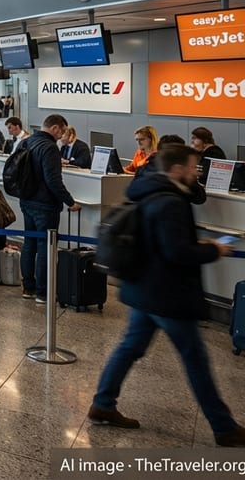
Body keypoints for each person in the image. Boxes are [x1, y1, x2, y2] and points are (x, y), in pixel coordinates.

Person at [87, 144, 245, 447]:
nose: (195, 173)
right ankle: (224, 427)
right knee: (195, 358)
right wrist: (214, 248)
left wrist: (192, 241)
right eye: (191, 167)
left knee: (130, 347)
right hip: (166, 293)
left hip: (143, 288)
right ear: (176, 169)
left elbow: (163, 241)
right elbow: (177, 252)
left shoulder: (145, 190)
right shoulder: (172, 202)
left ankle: (103, 404)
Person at [18, 114, 82, 303]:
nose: (61, 135)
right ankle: (43, 292)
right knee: (45, 247)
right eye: (61, 131)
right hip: (45, 205)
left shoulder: (26, 142)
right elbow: (53, 180)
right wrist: (70, 202)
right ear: (55, 128)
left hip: (26, 200)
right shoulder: (50, 148)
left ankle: (28, 288)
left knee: (29, 245)